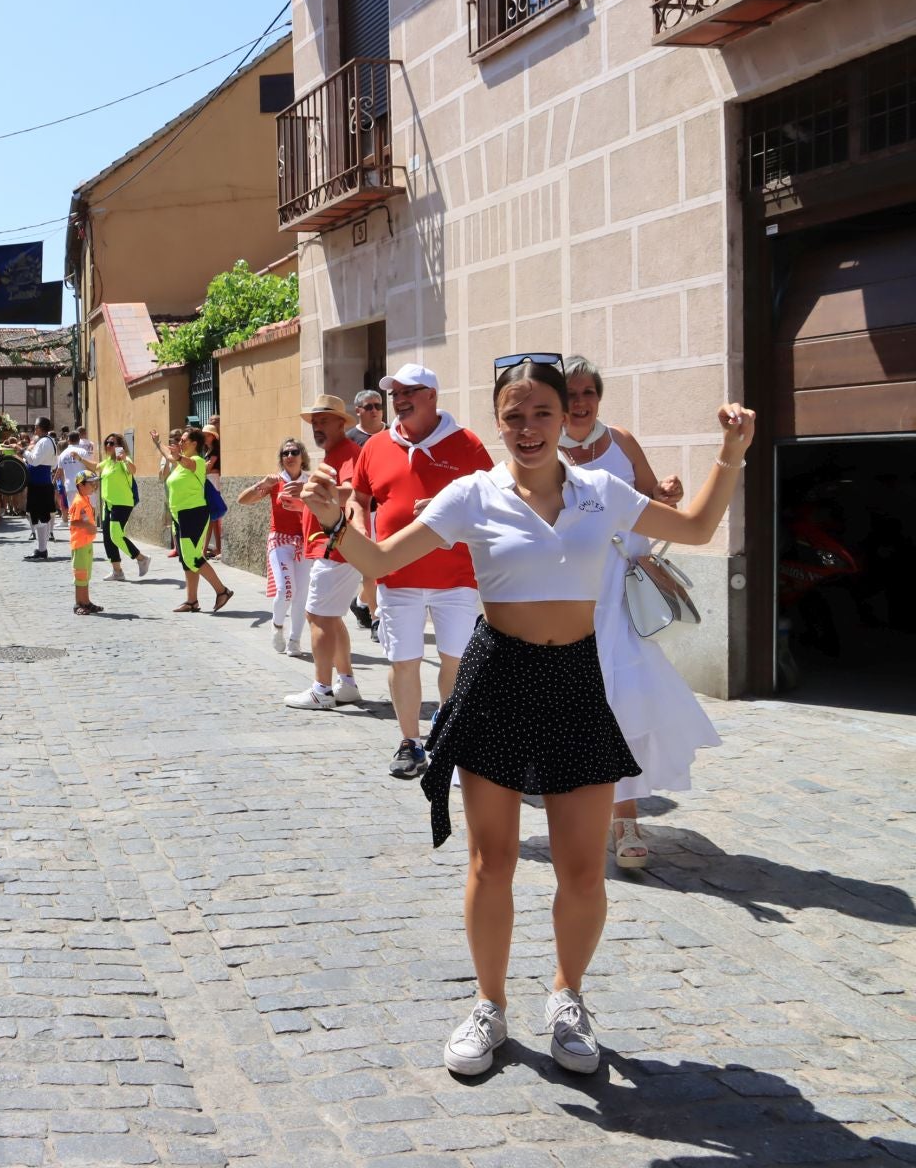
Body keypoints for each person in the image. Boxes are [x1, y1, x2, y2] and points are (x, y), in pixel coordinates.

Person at [297, 356, 754, 1079]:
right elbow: (381, 561)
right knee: (494, 860)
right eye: (514, 414)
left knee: (581, 870)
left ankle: (568, 998)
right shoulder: (471, 495)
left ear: (565, 416)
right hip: (498, 677)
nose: (529, 427)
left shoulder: (601, 491)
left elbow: (696, 527)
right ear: (497, 420)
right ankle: (488, 1004)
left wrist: (729, 455)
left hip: (577, 680)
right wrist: (330, 523)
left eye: (543, 411)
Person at [561, 355, 714, 869]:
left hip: (623, 592)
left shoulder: (621, 441)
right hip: (573, 594)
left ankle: (623, 816)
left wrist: (668, 493)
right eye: (571, 394)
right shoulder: (541, 448)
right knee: (572, 702)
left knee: (623, 701)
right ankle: (573, 802)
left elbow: (651, 495)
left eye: (588, 393)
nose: (580, 403)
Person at [351, 365, 495, 780]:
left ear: (432, 395)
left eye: (408, 391)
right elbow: (360, 497)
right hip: (397, 575)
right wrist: (359, 523)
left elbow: (493, 499)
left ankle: (447, 737)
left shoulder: (466, 444)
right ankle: (410, 743)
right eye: (394, 392)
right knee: (404, 660)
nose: (399, 399)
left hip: (456, 577)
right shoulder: (376, 446)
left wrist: (444, 504)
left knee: (455, 661)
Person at [284, 396, 366, 711]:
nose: (317, 427)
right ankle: (345, 684)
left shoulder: (348, 454)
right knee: (330, 617)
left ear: (340, 423)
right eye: (314, 422)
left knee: (317, 616)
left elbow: (352, 492)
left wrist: (312, 493)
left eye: (323, 421)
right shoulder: (334, 454)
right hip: (335, 546)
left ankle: (321, 689)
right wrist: (304, 501)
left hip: (337, 546)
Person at [237, 438, 310, 655]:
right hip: (280, 541)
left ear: (302, 456)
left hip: (304, 543)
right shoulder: (275, 481)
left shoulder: (310, 481)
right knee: (286, 589)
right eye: (285, 454)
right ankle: (277, 626)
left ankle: (295, 640)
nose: (289, 457)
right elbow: (243, 500)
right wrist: (262, 484)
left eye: (294, 452)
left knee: (301, 595)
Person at [151, 427, 233, 613]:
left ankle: (222, 591)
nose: (180, 442)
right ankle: (191, 601)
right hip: (179, 516)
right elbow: (169, 454)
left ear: (194, 443)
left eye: (184, 440)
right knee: (186, 559)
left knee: (193, 557)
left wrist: (178, 456)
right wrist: (157, 442)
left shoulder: (196, 461)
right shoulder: (179, 462)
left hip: (193, 514)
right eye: (180, 440)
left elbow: (185, 462)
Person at [351, 389, 389, 632]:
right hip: (368, 511)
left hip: (392, 510)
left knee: (389, 567)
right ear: (358, 411)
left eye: (378, 405)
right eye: (369, 406)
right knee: (372, 567)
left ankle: (361, 602)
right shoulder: (350, 439)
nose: (375, 410)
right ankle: (376, 619)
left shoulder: (395, 434)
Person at [97, 434, 148, 580]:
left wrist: (124, 458)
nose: (108, 445)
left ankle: (141, 558)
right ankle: (117, 571)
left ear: (119, 445)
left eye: (112, 443)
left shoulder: (124, 460)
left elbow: (133, 470)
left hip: (122, 503)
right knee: (107, 537)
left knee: (116, 535)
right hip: (108, 503)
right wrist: (80, 459)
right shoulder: (108, 462)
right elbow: (95, 467)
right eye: (106, 443)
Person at [68, 471, 104, 615]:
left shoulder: (85, 499)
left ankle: (86, 602)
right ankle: (78, 604)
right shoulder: (78, 501)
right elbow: (74, 521)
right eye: (91, 483)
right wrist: (88, 526)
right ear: (81, 485)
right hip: (80, 543)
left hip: (87, 542)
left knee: (86, 574)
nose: (94, 486)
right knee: (80, 575)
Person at [23, 418, 60, 560]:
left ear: (39, 428)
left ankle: (42, 550)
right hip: (41, 483)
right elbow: (52, 464)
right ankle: (41, 549)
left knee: (40, 516)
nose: (34, 429)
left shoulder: (44, 442)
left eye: (35, 426)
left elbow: (34, 460)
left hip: (39, 484)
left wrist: (23, 452)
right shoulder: (48, 441)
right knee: (39, 516)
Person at [203, 423, 225, 559]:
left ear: (212, 436)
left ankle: (205, 549)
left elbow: (208, 468)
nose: (204, 437)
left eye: (206, 435)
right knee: (213, 518)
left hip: (213, 481)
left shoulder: (215, 451)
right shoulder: (207, 451)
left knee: (212, 517)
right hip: (209, 481)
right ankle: (215, 548)